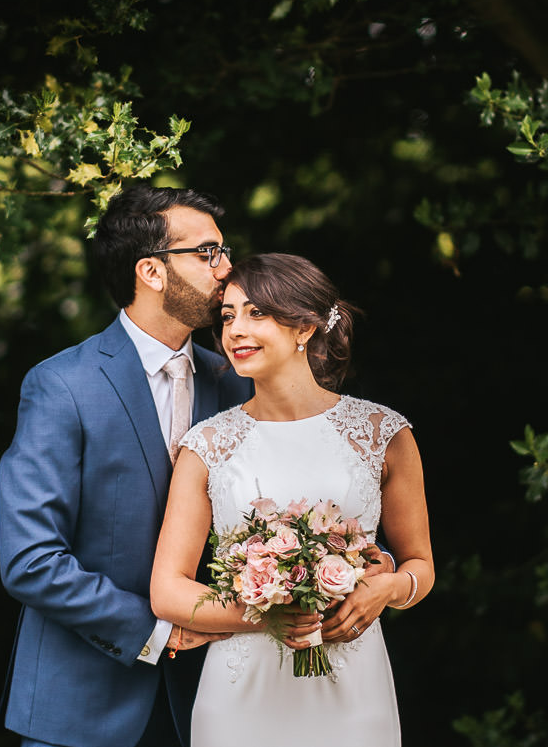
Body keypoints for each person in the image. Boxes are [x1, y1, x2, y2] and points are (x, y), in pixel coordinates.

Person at [0, 184, 253, 747]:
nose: (227, 269)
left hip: (216, 705)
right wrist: (158, 629)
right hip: (82, 706)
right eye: (207, 253)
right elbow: (30, 559)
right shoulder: (62, 385)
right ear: (152, 272)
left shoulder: (235, 384)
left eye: (224, 250)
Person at [149, 253, 435, 746]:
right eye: (228, 316)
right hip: (241, 696)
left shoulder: (382, 433)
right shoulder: (207, 445)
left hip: (353, 690)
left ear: (305, 328)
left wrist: (386, 589)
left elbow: (420, 564)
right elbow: (168, 591)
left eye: (256, 313)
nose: (235, 330)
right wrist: (265, 613)